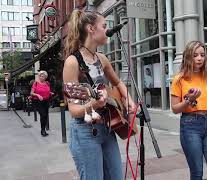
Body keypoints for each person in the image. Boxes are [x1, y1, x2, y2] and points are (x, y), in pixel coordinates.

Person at [63, 9, 136, 180]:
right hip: (86, 131)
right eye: (103, 26)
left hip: (108, 127)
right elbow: (74, 110)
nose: (106, 30)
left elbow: (118, 83)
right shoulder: (72, 62)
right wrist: (94, 104)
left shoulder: (102, 58)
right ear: (91, 29)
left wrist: (128, 100)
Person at [170, 41, 207, 180]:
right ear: (188, 57)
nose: (199, 58)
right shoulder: (179, 79)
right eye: (195, 55)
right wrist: (189, 100)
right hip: (190, 126)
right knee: (197, 173)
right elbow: (175, 109)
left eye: (202, 55)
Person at [30, 70, 52, 137]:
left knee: (45, 115)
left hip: (46, 101)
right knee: (43, 115)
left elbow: (48, 91)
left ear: (46, 77)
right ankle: (42, 130)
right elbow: (31, 93)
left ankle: (44, 129)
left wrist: (50, 93)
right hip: (38, 101)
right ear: (39, 76)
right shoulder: (36, 83)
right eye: (41, 76)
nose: (42, 77)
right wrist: (38, 95)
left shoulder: (47, 83)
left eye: (43, 76)